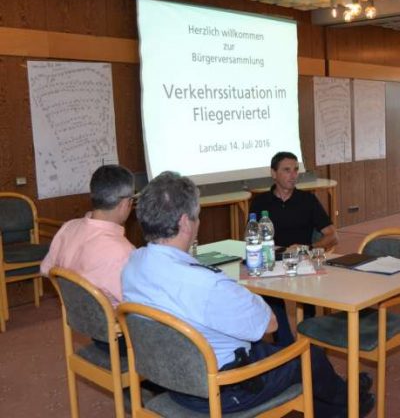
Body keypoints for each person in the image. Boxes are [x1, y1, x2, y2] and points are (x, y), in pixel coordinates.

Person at [122, 171, 374, 417]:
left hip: (170, 379)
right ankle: (352, 403)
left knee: (291, 361)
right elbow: (269, 324)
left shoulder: (132, 265)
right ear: (185, 222)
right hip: (226, 389)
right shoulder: (206, 284)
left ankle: (345, 398)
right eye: (197, 217)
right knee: (310, 356)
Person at [250, 151, 337, 346]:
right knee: (268, 294)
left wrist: (308, 248)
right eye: (287, 170)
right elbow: (252, 236)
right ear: (274, 173)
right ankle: (284, 345)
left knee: (308, 294)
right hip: (271, 261)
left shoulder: (307, 200)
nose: (293, 175)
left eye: (296, 170)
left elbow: (332, 235)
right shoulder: (260, 203)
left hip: (302, 260)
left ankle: (309, 339)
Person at [41, 164, 135, 307]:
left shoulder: (68, 227)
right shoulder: (123, 251)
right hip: (113, 322)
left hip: (78, 316)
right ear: (124, 203)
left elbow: (46, 269)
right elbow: (139, 303)